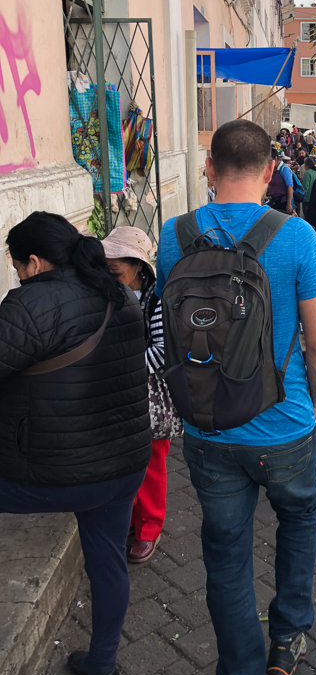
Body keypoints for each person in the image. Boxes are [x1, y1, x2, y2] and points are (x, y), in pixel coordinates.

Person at [155, 120, 316, 675]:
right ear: (269, 172)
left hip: (208, 431)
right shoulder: (296, 238)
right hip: (284, 426)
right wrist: (313, 410)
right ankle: (287, 642)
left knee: (226, 555)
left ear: (208, 168)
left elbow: (175, 334)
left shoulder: (173, 236)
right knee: (298, 520)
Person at [0, 212, 151, 675]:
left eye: (18, 266)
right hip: (124, 465)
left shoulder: (29, 305)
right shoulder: (120, 295)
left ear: (35, 261)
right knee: (107, 561)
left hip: (52, 473)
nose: (19, 276)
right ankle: (102, 663)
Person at [102, 228, 181, 563]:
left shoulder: (157, 300)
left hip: (147, 396)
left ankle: (149, 527)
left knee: (151, 463)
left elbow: (163, 353)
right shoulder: (108, 295)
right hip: (115, 394)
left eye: (117, 271)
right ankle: (128, 521)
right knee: (120, 463)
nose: (112, 277)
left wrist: (124, 370)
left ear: (138, 265)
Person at [267, 149, 294, 215]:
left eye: (270, 161)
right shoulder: (272, 170)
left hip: (283, 202)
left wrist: (289, 204)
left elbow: (290, 186)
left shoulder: (284, 169)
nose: (269, 164)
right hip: (274, 201)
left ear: (275, 158)